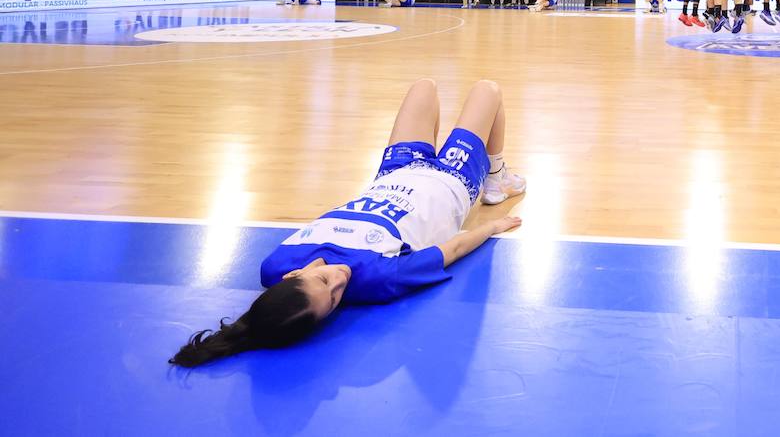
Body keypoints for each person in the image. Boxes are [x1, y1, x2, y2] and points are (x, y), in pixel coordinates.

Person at [170, 79, 524, 367]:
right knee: (488, 90)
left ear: (291, 276)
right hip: (452, 181)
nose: (342, 280)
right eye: (337, 299)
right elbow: (455, 247)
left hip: (394, 172)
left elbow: (269, 315)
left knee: (424, 87)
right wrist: (493, 226)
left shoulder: (274, 266)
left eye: (325, 280)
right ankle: (496, 176)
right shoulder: (377, 280)